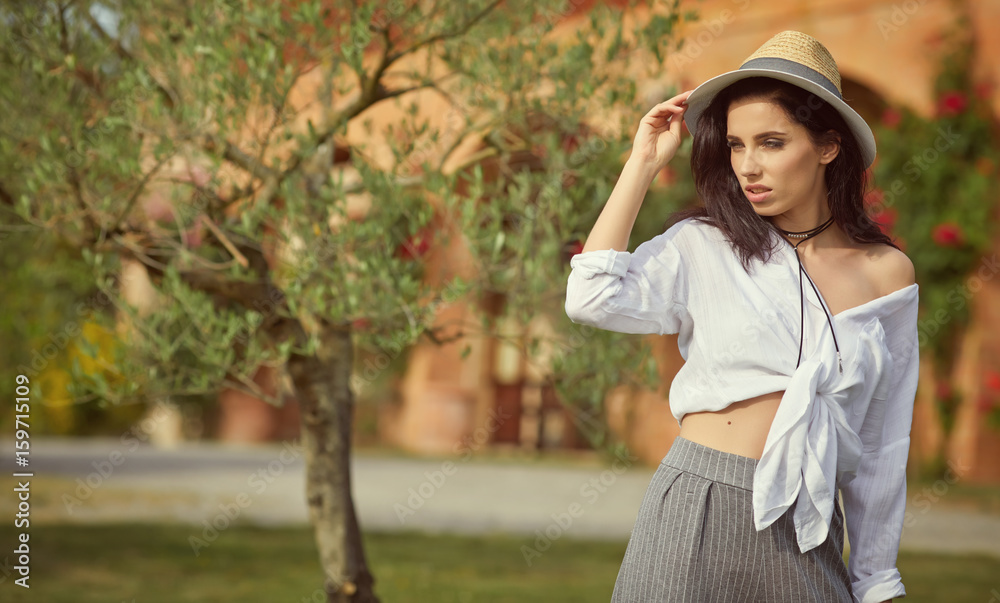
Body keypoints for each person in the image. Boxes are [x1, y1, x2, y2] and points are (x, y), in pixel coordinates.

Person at [564, 31, 918, 603]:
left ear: (828, 146)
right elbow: (592, 297)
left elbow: (882, 441)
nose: (748, 167)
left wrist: (875, 576)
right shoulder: (705, 245)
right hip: (699, 503)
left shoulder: (887, 274)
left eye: (772, 143)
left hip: (809, 520)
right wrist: (642, 164)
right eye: (735, 145)